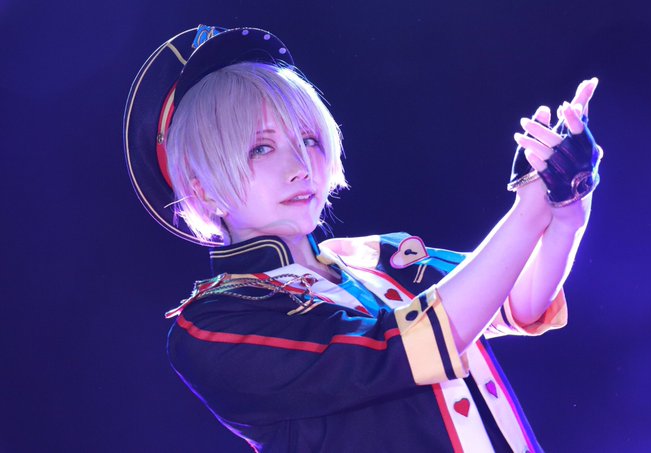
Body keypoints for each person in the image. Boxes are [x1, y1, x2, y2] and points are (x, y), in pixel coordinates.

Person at [124, 25, 602, 453]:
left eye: (308, 140)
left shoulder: (377, 257)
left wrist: (564, 207)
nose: (301, 166)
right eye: (261, 148)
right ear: (202, 189)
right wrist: (528, 213)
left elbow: (519, 299)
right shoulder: (212, 325)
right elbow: (395, 349)